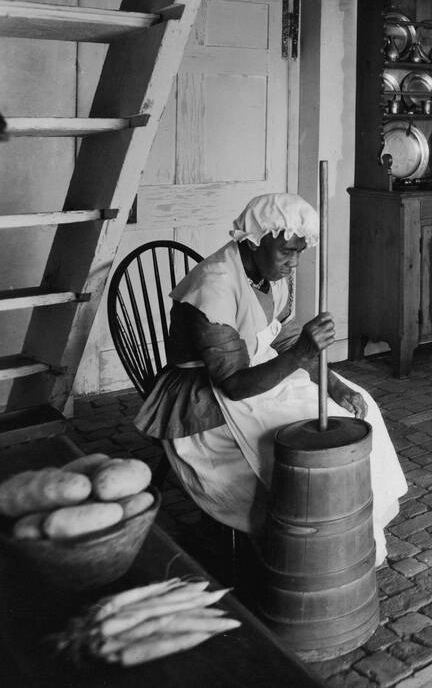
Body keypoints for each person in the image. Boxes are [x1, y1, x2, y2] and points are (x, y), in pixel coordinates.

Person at [135, 193, 407, 566]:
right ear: (254, 240)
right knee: (293, 441)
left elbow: (286, 340)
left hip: (260, 371)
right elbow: (234, 385)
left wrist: (335, 385)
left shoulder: (269, 275)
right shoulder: (213, 287)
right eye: (286, 253)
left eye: (299, 253)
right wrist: (300, 355)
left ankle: (350, 528)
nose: (293, 263)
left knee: (360, 408)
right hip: (205, 396)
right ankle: (303, 540)